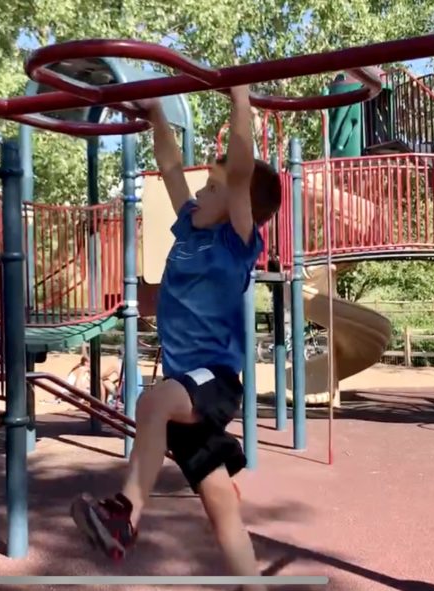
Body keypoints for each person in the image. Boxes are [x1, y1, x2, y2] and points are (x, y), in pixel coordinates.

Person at [70, 85, 282, 590]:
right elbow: (168, 165)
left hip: (215, 380)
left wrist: (240, 100)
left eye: (215, 188)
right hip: (186, 384)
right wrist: (157, 115)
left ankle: (125, 514)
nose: (202, 192)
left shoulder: (236, 243)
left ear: (236, 202)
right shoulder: (189, 226)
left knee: (154, 401)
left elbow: (241, 168)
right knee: (219, 499)